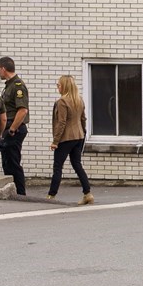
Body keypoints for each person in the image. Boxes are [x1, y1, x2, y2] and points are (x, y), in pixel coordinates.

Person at [47, 74, 93, 204]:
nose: (57, 87)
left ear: (64, 86)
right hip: (79, 136)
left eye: (59, 85)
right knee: (77, 164)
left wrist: (55, 141)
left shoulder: (62, 102)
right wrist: (82, 133)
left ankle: (51, 195)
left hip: (66, 138)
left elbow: (61, 123)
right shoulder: (79, 100)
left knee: (57, 167)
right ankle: (87, 193)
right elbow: (83, 119)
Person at [0, 57, 29, 196]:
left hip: (14, 129)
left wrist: (12, 129)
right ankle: (13, 192)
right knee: (7, 162)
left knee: (13, 162)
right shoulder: (8, 85)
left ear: (3, 68)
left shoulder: (17, 86)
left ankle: (20, 194)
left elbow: (22, 110)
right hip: (9, 128)